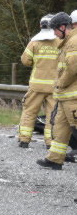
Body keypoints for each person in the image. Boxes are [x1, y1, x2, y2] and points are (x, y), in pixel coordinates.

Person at [37, 12, 77, 170]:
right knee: (60, 130)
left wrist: (60, 83)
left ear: (62, 27)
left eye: (54, 29)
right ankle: (54, 159)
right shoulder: (67, 41)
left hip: (73, 97)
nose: (53, 33)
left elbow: (73, 67)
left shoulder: (74, 41)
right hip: (65, 97)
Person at [18, 14, 59, 148]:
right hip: (54, 87)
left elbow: (25, 60)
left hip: (36, 86)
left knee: (29, 111)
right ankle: (50, 143)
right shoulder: (60, 41)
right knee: (52, 116)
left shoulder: (35, 42)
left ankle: (24, 140)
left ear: (41, 26)